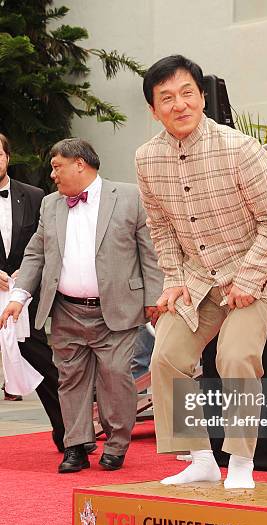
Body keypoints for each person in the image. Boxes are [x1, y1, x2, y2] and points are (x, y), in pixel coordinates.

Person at [135, 55, 267, 489]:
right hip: (196, 280)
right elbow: (161, 227)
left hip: (254, 274)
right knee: (166, 356)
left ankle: (241, 462)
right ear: (153, 109)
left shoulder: (240, 149)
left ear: (202, 97)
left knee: (234, 356)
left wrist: (249, 278)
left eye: (187, 93)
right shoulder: (147, 159)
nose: (179, 104)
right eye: (166, 98)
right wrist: (173, 280)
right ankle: (201, 458)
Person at [0, 138, 163, 473]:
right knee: (69, 378)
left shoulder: (129, 197)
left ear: (80, 164)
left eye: (57, 166)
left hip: (116, 309)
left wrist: (154, 300)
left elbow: (149, 254)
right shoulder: (50, 205)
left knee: (115, 377)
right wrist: (19, 298)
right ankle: (75, 446)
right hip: (66, 310)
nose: (53, 174)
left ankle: (117, 443)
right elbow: (35, 255)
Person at [0, 133, 66, 451]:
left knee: (42, 361)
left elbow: (46, 245)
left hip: (22, 296)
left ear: (7, 157)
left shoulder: (35, 195)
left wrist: (25, 276)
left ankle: (68, 433)